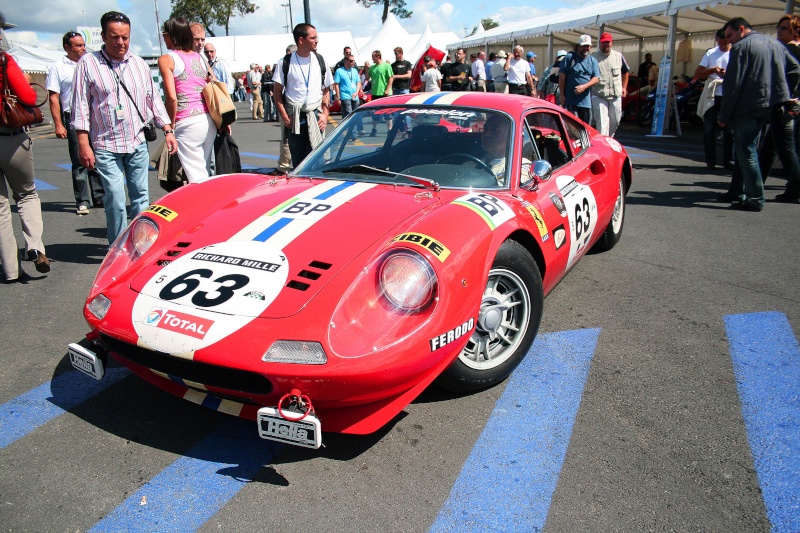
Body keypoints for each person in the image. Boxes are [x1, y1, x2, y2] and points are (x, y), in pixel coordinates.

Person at [72, 10, 177, 244]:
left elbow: (154, 100)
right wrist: (83, 143)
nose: (121, 42)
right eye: (115, 37)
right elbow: (80, 106)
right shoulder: (88, 64)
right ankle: (118, 248)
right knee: (116, 199)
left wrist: (168, 130)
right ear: (103, 36)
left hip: (136, 141)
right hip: (105, 145)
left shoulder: (138, 64)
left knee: (141, 197)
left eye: (125, 37)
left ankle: (139, 246)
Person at [717, 17, 800, 210]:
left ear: (741, 29)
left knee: (746, 151)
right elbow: (795, 68)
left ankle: (755, 198)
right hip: (772, 104)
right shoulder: (775, 44)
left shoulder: (741, 48)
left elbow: (732, 85)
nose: (729, 40)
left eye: (730, 35)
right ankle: (736, 191)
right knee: (747, 150)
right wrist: (786, 93)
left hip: (749, 105)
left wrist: (723, 115)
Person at [0, 12, 49, 280]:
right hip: (9, 137)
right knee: (27, 194)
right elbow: (29, 96)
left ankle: (9, 269)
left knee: (0, 207)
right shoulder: (5, 61)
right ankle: (34, 247)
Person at [47, 31, 104, 215]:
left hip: (93, 115)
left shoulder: (90, 62)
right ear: (67, 48)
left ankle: (99, 196)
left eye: (83, 45)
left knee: (97, 157)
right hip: (72, 116)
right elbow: (54, 98)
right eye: (78, 45)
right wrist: (58, 124)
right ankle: (82, 200)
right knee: (80, 159)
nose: (83, 48)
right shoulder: (58, 67)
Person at [158, 17, 215, 184]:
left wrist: (170, 125)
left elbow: (171, 97)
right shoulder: (200, 58)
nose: (163, 37)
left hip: (186, 120)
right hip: (207, 119)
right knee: (203, 170)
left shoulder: (167, 59)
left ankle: (206, 207)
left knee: (196, 177)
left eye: (165, 33)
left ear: (172, 35)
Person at [273, 24, 333, 168]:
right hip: (295, 118)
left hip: (316, 116)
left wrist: (325, 114)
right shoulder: (285, 62)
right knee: (299, 162)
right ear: (301, 40)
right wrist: (285, 117)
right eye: (313, 38)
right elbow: (277, 93)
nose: (316, 40)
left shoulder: (320, 60)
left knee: (318, 160)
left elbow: (326, 91)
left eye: (316, 37)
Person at [758, 15, 800, 203]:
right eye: (779, 27)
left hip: (786, 105)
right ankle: (755, 184)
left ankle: (795, 188)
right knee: (770, 148)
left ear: (795, 30)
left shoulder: (789, 49)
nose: (779, 30)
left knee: (785, 148)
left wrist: (789, 96)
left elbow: (791, 75)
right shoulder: (789, 48)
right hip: (786, 104)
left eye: (784, 28)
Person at [694, 28, 732, 170]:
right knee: (709, 129)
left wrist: (727, 74)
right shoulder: (711, 53)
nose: (722, 46)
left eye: (724, 44)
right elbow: (697, 73)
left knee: (730, 130)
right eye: (719, 43)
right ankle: (710, 160)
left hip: (728, 95)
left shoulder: (735, 52)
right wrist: (713, 70)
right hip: (712, 94)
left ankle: (729, 160)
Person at [591, 33, 630, 137]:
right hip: (598, 94)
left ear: (612, 43)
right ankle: (602, 143)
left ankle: (608, 138)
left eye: (608, 42)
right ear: (599, 43)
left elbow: (625, 72)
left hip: (615, 94)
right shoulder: (593, 58)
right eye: (603, 43)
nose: (606, 45)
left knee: (616, 120)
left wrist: (624, 87)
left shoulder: (618, 56)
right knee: (602, 122)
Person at [559, 35, 600, 124]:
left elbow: (596, 78)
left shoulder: (593, 60)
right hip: (571, 101)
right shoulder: (570, 57)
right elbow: (562, 76)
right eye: (583, 46)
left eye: (587, 46)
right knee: (572, 128)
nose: (586, 48)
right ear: (578, 46)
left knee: (585, 128)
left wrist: (584, 87)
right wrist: (562, 95)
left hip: (585, 103)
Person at [365, 50, 393, 135]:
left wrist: (387, 89)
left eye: (373, 57)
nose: (372, 59)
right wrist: (367, 69)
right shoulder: (372, 68)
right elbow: (367, 77)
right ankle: (374, 129)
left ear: (378, 57)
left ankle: (390, 130)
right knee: (375, 113)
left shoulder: (386, 66)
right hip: (375, 93)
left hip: (385, 93)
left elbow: (391, 78)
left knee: (388, 113)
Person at [481, 113, 512, 186]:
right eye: (485, 129)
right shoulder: (471, 163)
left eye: (494, 130)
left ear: (509, 135)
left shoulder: (518, 166)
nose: (486, 134)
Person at [333, 54, 362, 120]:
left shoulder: (354, 70)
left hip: (355, 96)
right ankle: (352, 130)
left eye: (353, 61)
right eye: (351, 61)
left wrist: (357, 92)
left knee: (356, 114)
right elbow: (336, 84)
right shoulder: (339, 71)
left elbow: (358, 82)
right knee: (349, 115)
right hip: (345, 96)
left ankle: (356, 129)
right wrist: (338, 97)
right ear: (345, 61)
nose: (353, 63)